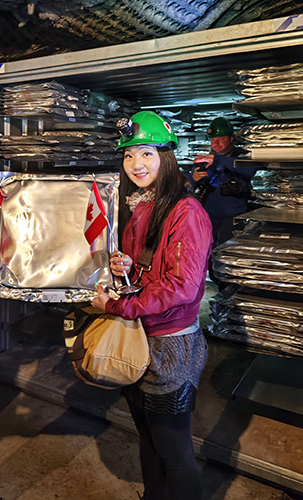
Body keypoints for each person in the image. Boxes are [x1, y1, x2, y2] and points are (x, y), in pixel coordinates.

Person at [91, 111, 212, 500]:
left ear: (166, 156)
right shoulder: (142, 205)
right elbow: (151, 266)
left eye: (146, 153)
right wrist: (125, 267)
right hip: (143, 336)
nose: (136, 164)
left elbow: (181, 286)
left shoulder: (186, 211)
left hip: (172, 345)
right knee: (147, 437)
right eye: (128, 156)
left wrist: (118, 306)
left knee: (175, 452)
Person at [188, 117, 256, 250]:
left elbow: (250, 169)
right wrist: (193, 179)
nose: (216, 144)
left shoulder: (241, 157)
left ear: (231, 139)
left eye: (221, 139)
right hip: (208, 219)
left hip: (233, 219)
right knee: (209, 256)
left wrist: (218, 159)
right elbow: (187, 188)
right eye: (213, 140)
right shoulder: (206, 161)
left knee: (229, 256)